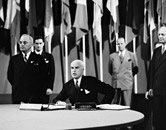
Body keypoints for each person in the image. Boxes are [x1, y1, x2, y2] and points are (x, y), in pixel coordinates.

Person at [7, 34, 48, 104]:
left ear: (31, 44)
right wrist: (18, 85)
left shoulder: (39, 58)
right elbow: (10, 76)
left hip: (35, 97)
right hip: (18, 96)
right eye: (20, 42)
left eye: (25, 42)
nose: (22, 44)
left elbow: (44, 76)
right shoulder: (14, 59)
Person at [145, 26, 166, 130]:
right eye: (159, 34)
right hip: (157, 91)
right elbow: (152, 71)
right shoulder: (157, 51)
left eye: (163, 34)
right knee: (157, 120)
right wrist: (150, 88)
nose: (160, 37)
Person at [108, 37, 138, 107]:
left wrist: (128, 76)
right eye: (118, 44)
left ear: (125, 44)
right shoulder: (112, 56)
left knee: (127, 105)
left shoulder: (131, 55)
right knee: (115, 106)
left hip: (127, 83)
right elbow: (110, 70)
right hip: (116, 84)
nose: (120, 45)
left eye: (121, 43)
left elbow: (135, 69)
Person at [34, 35, 55, 103]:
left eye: (40, 43)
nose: (38, 45)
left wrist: (50, 87)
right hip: (32, 89)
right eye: (37, 43)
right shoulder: (30, 56)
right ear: (34, 44)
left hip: (45, 89)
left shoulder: (49, 56)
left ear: (43, 44)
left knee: (44, 108)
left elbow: (52, 73)